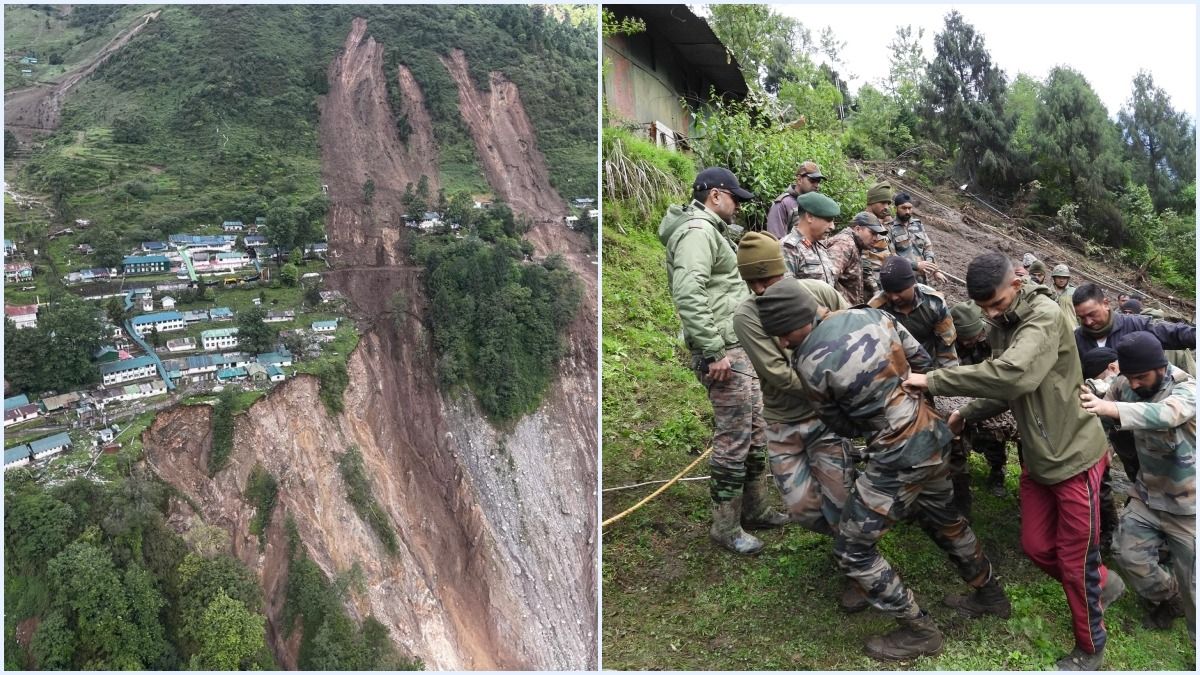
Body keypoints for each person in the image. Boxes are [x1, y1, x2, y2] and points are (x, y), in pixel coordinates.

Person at [756, 281, 1008, 662]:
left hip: (897, 457)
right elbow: (924, 364)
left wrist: (879, 424)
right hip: (933, 436)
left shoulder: (807, 361)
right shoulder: (874, 315)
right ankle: (991, 595)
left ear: (792, 326)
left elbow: (838, 423)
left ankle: (920, 632)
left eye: (780, 334)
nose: (781, 343)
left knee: (853, 550)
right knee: (945, 519)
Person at [903, 252, 1121, 671]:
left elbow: (1013, 374)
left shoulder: (1042, 316)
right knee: (1037, 547)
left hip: (1075, 457)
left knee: (1076, 563)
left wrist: (932, 378)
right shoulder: (1005, 323)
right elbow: (1012, 389)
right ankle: (1103, 584)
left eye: (997, 304)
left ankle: (1091, 648)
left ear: (1016, 285)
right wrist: (965, 413)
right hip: (1040, 458)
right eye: (983, 308)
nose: (990, 314)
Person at [731, 242, 866, 611]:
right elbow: (776, 373)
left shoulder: (819, 292)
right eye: (752, 282)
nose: (760, 289)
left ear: (782, 270)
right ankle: (851, 539)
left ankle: (857, 568)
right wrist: (831, 385)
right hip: (784, 423)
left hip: (826, 421)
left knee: (841, 499)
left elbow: (855, 333)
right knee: (803, 509)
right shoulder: (747, 316)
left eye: (767, 278)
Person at [658, 166, 784, 555]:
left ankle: (757, 508)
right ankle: (726, 527)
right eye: (734, 198)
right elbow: (688, 291)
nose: (737, 206)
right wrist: (713, 350)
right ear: (715, 195)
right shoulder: (697, 232)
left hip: (738, 347)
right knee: (734, 438)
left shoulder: (710, 231)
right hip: (723, 352)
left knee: (756, 430)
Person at [1080, 332, 1195, 639]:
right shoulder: (1126, 385)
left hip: (1189, 506)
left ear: (1161, 367)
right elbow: (1102, 412)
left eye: (1141, 377)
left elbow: (1167, 414)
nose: (1133, 385)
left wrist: (1112, 410)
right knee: (1126, 552)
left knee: (1193, 584)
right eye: (1129, 377)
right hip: (1148, 495)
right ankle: (1169, 598)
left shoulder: (1186, 389)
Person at [943, 301, 1018, 503]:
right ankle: (956, 479)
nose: (969, 342)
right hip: (957, 393)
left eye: (973, 337)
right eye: (964, 338)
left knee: (996, 432)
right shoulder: (946, 343)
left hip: (987, 392)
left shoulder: (991, 339)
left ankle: (997, 472)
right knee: (955, 435)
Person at [1072, 283, 1195, 375]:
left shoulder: (1135, 324)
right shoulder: (1076, 338)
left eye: (1092, 314)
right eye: (1082, 317)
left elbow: (1173, 333)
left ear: (1105, 304)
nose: (1088, 322)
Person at [868, 256, 958, 369]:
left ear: (913, 284)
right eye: (888, 292)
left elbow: (946, 348)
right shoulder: (875, 309)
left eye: (898, 291)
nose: (894, 297)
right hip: (893, 368)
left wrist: (944, 379)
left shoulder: (934, 303)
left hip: (928, 365)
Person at [780, 192, 842, 289]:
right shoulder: (789, 248)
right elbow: (786, 292)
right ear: (809, 217)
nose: (832, 226)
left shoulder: (820, 246)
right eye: (828, 220)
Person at [824, 211, 887, 305]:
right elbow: (827, 281)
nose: (876, 238)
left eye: (877, 234)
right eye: (872, 233)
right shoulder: (844, 244)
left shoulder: (855, 244)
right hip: (839, 311)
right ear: (858, 229)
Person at [890, 192, 945, 285]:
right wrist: (916, 265)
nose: (907, 211)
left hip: (921, 279)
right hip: (902, 278)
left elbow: (927, 248)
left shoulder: (918, 225)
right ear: (896, 208)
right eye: (903, 208)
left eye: (910, 208)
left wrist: (935, 270)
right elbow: (891, 256)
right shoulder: (890, 228)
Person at [766, 161, 824, 239]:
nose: (817, 185)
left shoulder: (814, 206)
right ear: (799, 179)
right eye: (812, 180)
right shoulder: (783, 204)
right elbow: (774, 241)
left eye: (818, 181)